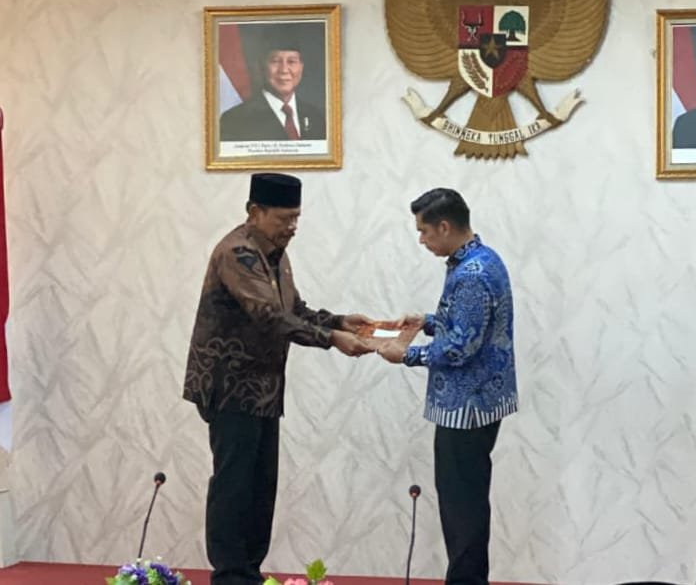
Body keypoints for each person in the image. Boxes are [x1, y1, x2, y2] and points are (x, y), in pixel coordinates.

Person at [183, 172, 372, 585]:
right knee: (234, 484)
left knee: (261, 485)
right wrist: (331, 339)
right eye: (284, 218)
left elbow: (294, 310)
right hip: (229, 387)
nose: (292, 226)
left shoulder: (276, 254)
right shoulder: (238, 252)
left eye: (296, 217)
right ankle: (230, 575)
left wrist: (339, 321)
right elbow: (269, 317)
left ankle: (249, 571)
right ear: (255, 211)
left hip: (264, 390)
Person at [377, 188, 518, 585]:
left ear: (444, 226)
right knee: (466, 503)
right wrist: (425, 322)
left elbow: (460, 348)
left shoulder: (471, 275)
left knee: (462, 508)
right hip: (481, 400)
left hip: (466, 407)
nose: (422, 240)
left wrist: (406, 354)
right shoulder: (482, 259)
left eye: (424, 231)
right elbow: (469, 325)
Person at [220, 36, 326, 142]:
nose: (284, 70)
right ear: (261, 66)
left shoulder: (317, 117)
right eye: (275, 61)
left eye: (291, 61)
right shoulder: (234, 120)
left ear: (301, 67)